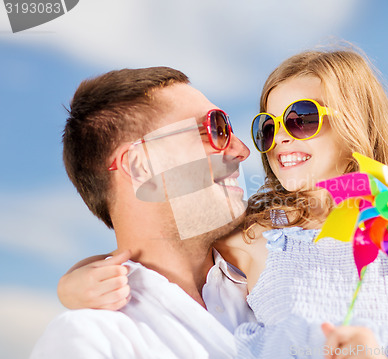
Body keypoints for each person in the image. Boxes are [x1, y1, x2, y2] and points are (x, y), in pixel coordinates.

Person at [57, 49, 388, 359]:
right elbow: (156, 248)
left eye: (302, 119)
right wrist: (74, 282)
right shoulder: (255, 230)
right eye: (268, 127)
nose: (280, 137)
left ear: (354, 124)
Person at [30, 67, 256, 359]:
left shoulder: (277, 272)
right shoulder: (92, 340)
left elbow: (327, 193)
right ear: (140, 164)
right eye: (216, 128)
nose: (241, 149)